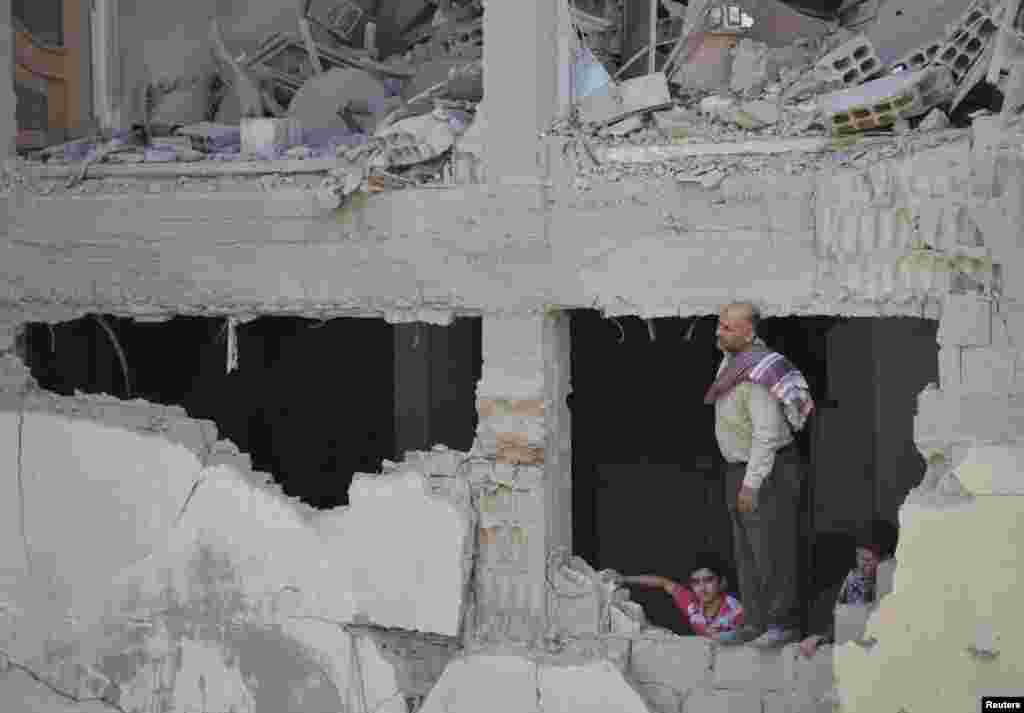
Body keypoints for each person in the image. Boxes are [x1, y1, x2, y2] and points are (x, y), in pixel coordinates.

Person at [704, 301, 815, 647]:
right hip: (740, 468)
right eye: (719, 325)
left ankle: (784, 624)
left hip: (767, 470)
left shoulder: (757, 372)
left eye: (728, 327)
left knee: (773, 550)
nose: (719, 332)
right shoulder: (732, 362)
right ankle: (755, 621)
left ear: (749, 332)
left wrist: (752, 484)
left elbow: (767, 433)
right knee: (748, 552)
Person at [799, 520, 899, 658]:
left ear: (886, 559)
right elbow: (842, 623)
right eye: (858, 556)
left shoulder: (898, 581)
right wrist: (823, 638)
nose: (861, 564)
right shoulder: (855, 580)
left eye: (868, 560)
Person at [620, 554, 745, 641]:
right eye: (696, 582)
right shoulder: (692, 603)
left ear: (722, 583)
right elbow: (663, 582)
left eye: (708, 580)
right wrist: (623, 579)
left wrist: (733, 636)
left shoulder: (735, 608)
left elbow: (754, 633)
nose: (702, 588)